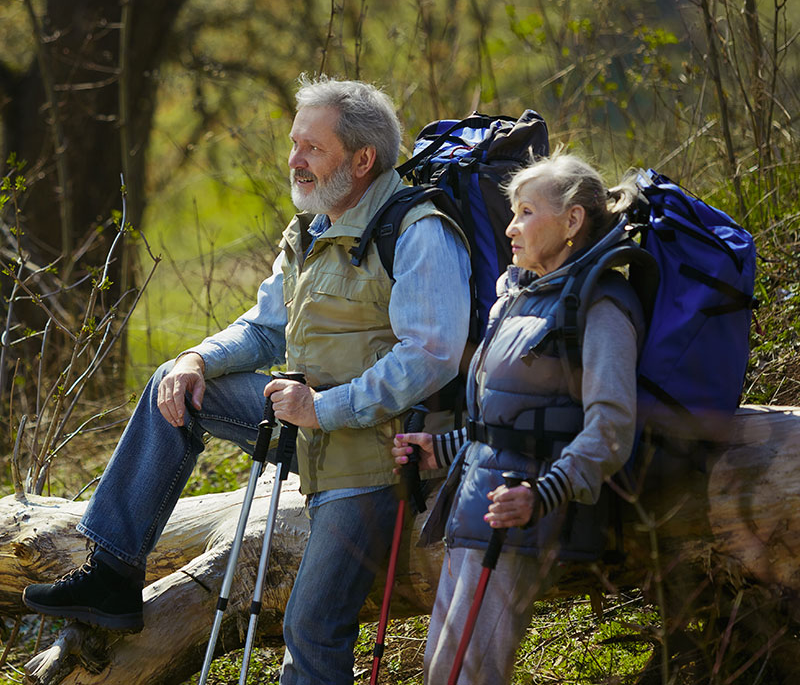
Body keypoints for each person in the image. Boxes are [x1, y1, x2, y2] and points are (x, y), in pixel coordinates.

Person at [23, 75, 472, 685]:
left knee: (312, 626)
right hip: (303, 422)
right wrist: (198, 360)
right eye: (294, 144)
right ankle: (112, 576)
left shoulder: (419, 231)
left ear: (363, 159)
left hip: (377, 454)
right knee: (173, 385)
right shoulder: (310, 230)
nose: (295, 160)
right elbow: (264, 330)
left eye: (312, 147)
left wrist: (327, 409)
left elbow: (432, 355)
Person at [392, 151, 646, 684]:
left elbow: (611, 428)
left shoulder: (600, 305)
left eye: (526, 212)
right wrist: (439, 449)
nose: (510, 228)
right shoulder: (517, 298)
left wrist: (542, 494)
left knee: (470, 675)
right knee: (442, 671)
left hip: (525, 516)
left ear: (573, 220)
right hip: (476, 503)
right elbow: (504, 418)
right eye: (512, 212)